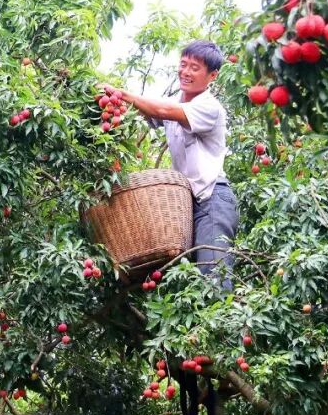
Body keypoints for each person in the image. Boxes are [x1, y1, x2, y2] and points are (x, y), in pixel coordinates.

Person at [100, 40, 239, 289]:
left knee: (213, 276)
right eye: (183, 64)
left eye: (194, 68)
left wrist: (120, 93)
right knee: (183, 279)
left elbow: (162, 110)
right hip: (188, 204)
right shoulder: (176, 102)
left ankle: (222, 327)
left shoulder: (209, 107)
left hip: (213, 200)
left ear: (212, 76)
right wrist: (106, 103)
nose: (185, 72)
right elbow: (149, 113)